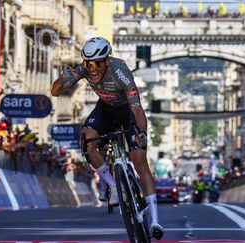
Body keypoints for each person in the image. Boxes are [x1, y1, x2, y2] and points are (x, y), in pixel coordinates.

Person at [51, 37, 164, 240]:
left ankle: (155, 219)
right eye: (88, 63)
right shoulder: (84, 69)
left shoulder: (120, 71)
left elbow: (137, 109)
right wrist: (61, 80)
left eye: (96, 64)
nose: (92, 69)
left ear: (106, 61)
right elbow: (55, 92)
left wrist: (142, 135)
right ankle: (113, 185)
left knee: (140, 161)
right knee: (87, 140)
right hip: (105, 109)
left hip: (127, 111)